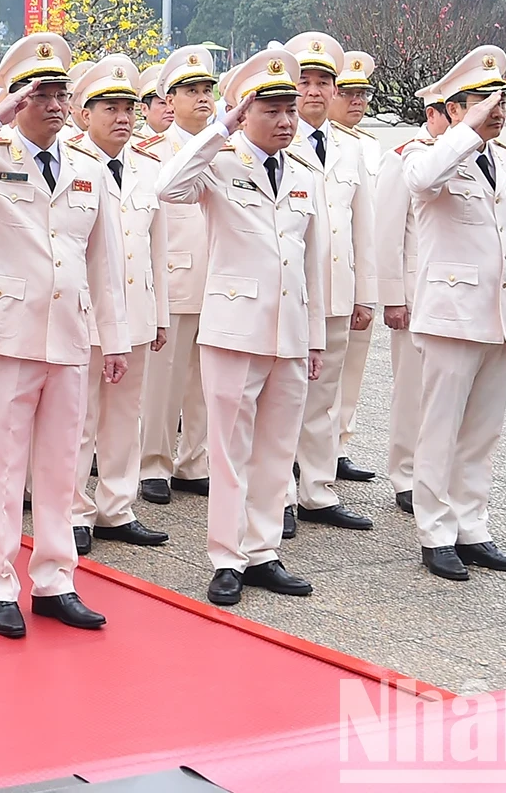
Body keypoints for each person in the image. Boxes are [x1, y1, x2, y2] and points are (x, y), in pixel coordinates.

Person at [0, 32, 127, 640]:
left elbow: (105, 262)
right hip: (10, 333)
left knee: (63, 465)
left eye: (62, 93)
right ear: (17, 100)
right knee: (5, 467)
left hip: (69, 333)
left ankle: (56, 579)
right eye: (42, 94)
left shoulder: (89, 169)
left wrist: (112, 338)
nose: (57, 104)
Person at [156, 48, 327, 608]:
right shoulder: (219, 162)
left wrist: (315, 337)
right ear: (245, 112)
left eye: (290, 109)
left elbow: (313, 261)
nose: (285, 120)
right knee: (228, 450)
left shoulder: (304, 172)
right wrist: (220, 127)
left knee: (276, 448)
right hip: (233, 328)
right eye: (271, 109)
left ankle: (263, 550)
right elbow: (169, 187)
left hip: (290, 331)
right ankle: (226, 556)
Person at [401, 46, 506, 583]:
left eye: (500, 99)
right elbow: (423, 180)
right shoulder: (428, 155)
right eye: (482, 100)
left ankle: (471, 525)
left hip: (497, 315)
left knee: (482, 432)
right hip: (450, 316)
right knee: (440, 429)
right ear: (453, 110)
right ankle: (435, 532)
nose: (495, 109)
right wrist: (467, 131)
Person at [67, 56, 171, 552]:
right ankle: (73, 511)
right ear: (83, 114)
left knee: (124, 417)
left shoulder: (148, 167)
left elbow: (159, 248)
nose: (123, 117)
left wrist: (163, 314)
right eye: (109, 107)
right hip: (84, 315)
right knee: (78, 417)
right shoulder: (67, 163)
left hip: (135, 313)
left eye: (129, 107)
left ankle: (116, 507)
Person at [280, 32, 377, 536]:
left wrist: (367, 294)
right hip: (287, 296)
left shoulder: (349, 149)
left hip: (337, 292)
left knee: (325, 397)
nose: (314, 92)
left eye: (324, 82)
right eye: (305, 81)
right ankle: (282, 499)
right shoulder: (274, 142)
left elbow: (363, 226)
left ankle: (318, 489)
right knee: (282, 400)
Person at [136, 46, 218, 505]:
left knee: (205, 382)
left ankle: (193, 461)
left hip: (221, 282)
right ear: (169, 101)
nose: (202, 98)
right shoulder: (150, 153)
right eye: (191, 91)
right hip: (174, 279)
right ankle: (154, 464)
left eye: (207, 90)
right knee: (163, 383)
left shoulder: (227, 147)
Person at [375, 86, 451, 514]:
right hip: (414, 293)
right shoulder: (405, 157)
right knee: (412, 390)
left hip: (453, 297)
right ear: (433, 114)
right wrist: (392, 297)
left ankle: (436, 472)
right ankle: (405, 472)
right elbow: (387, 232)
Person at [331, 49, 381, 481]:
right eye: (348, 92)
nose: (357, 101)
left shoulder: (368, 147)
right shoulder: (295, 143)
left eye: (363, 93)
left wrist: (369, 287)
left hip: (353, 273)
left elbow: (368, 226)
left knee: (352, 365)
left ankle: (338, 443)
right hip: (318, 279)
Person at [139, 64, 172, 135]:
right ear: (144, 109)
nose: (170, 110)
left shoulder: (192, 142)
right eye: (162, 103)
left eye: (172, 102)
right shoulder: (130, 144)